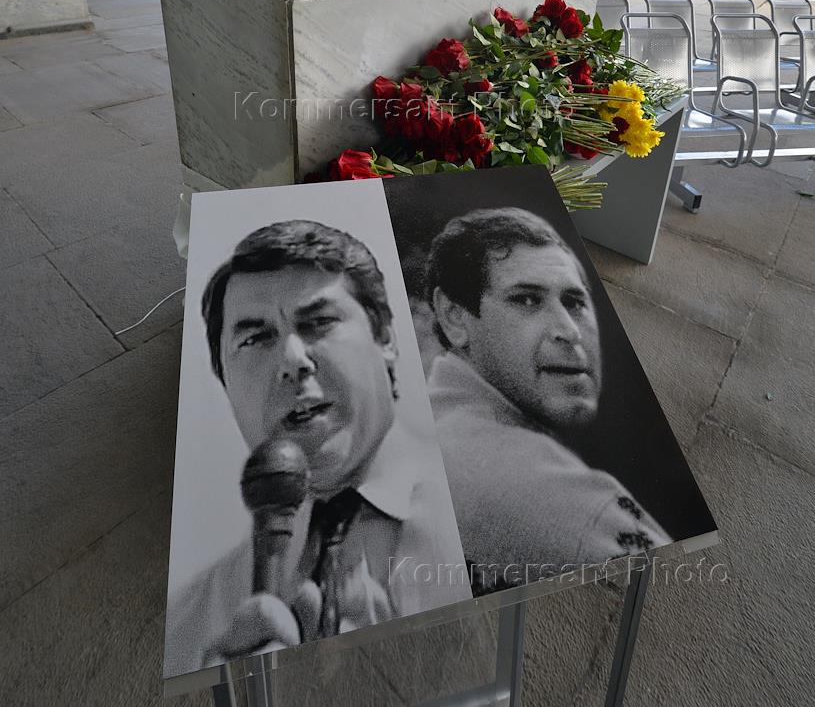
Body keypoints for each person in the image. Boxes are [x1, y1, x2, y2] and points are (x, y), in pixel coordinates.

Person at [164, 220, 468, 679]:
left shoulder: (491, 513)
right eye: (254, 338)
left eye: (319, 322)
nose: (292, 360)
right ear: (225, 383)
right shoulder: (190, 624)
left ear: (386, 338)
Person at [425, 207, 671, 595]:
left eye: (574, 302)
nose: (569, 331)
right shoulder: (534, 483)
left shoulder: (435, 421)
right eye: (526, 300)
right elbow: (678, 597)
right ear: (454, 316)